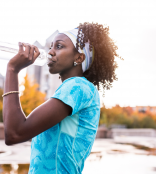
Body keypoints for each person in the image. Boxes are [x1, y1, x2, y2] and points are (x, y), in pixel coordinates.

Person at [2, 22, 121, 174]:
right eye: (50, 46)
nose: (50, 52)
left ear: (79, 57)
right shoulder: (76, 89)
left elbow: (15, 133)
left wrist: (12, 70)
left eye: (59, 46)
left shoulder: (77, 87)